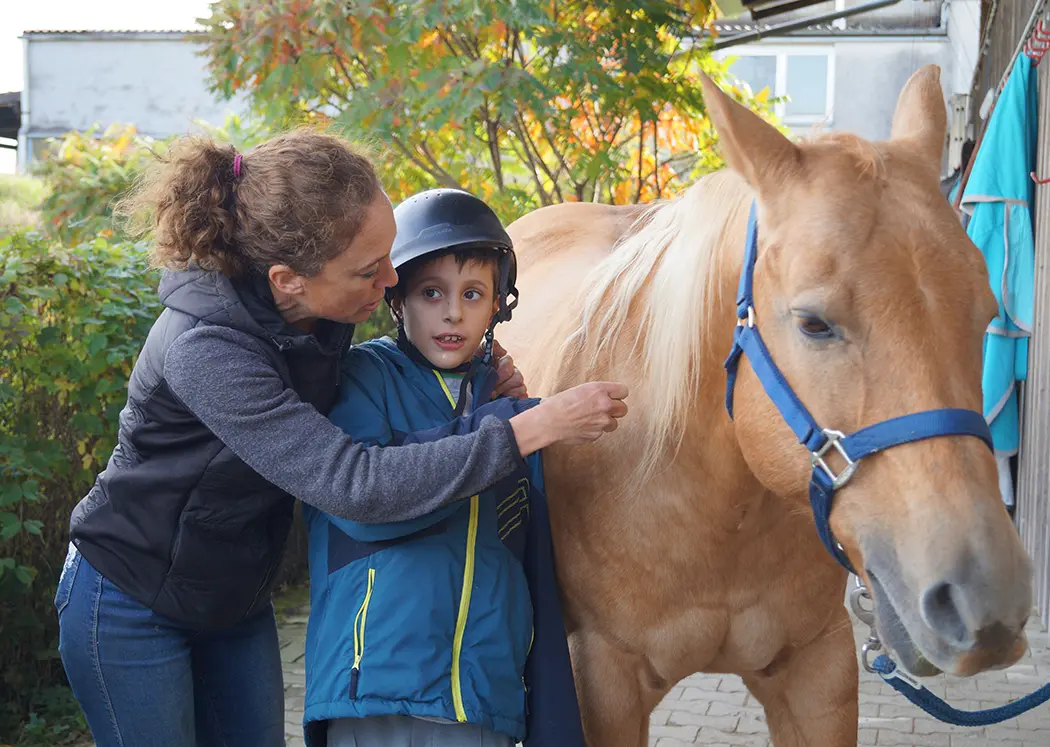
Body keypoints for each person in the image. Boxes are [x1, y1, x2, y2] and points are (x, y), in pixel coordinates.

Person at [52, 129, 629, 747]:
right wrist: (527, 429)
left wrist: (477, 382)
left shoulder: (319, 313)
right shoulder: (208, 351)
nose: (390, 279)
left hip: (232, 598)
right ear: (288, 280)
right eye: (369, 268)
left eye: (387, 254)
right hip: (131, 601)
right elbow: (356, 483)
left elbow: (398, 389)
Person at [301, 188, 587, 747]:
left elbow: (530, 565)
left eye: (473, 293)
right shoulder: (365, 377)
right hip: (376, 696)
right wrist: (513, 427)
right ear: (398, 300)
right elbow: (368, 504)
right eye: (432, 292)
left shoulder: (508, 407)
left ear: (497, 306)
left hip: (482, 704)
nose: (453, 311)